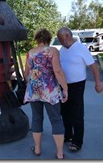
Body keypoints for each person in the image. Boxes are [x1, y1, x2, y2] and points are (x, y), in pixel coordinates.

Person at [56, 27, 103, 152]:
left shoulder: (81, 49)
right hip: (63, 85)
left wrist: (98, 83)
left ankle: (77, 141)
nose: (60, 41)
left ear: (67, 36)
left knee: (77, 113)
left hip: (77, 85)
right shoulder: (62, 50)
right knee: (65, 112)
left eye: (60, 38)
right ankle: (68, 135)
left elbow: (94, 67)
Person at [23, 28, 68, 159]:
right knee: (56, 120)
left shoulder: (30, 53)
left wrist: (33, 82)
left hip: (34, 90)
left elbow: (26, 74)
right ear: (49, 39)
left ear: (37, 39)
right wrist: (65, 88)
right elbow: (58, 71)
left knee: (37, 118)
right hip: (50, 90)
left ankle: (37, 149)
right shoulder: (53, 51)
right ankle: (59, 153)